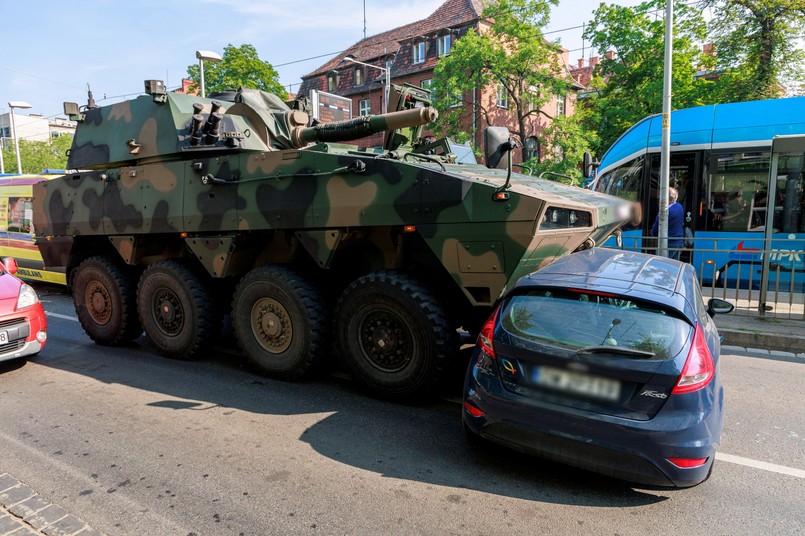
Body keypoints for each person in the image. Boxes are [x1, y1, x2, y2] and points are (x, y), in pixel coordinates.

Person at [651, 187, 684, 260]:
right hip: (679, 242)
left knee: (661, 263)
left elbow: (654, 231)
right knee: (674, 265)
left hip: (668, 243)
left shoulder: (664, 212)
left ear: (665, 197)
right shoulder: (680, 207)